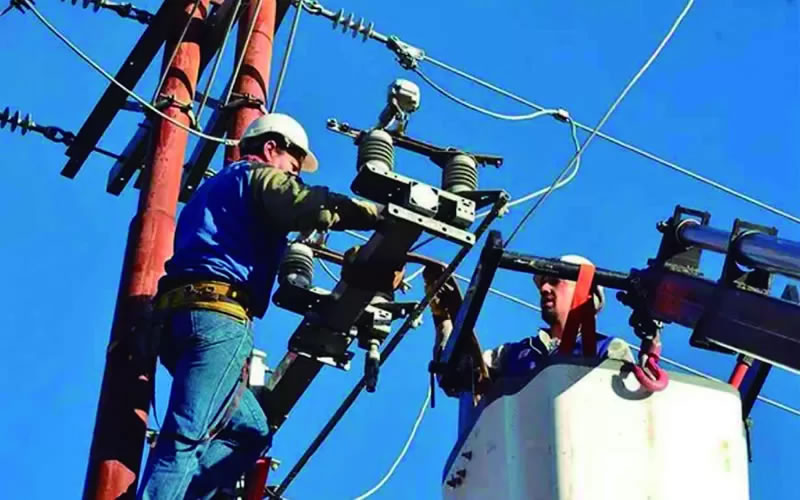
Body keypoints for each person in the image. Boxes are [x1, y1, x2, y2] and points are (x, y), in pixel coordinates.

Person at [138, 113, 382, 499]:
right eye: (293, 166)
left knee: (250, 431)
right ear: (271, 149)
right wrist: (377, 215)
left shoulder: (214, 189)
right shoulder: (259, 178)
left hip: (178, 322)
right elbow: (302, 204)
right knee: (187, 435)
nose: (295, 175)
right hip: (219, 319)